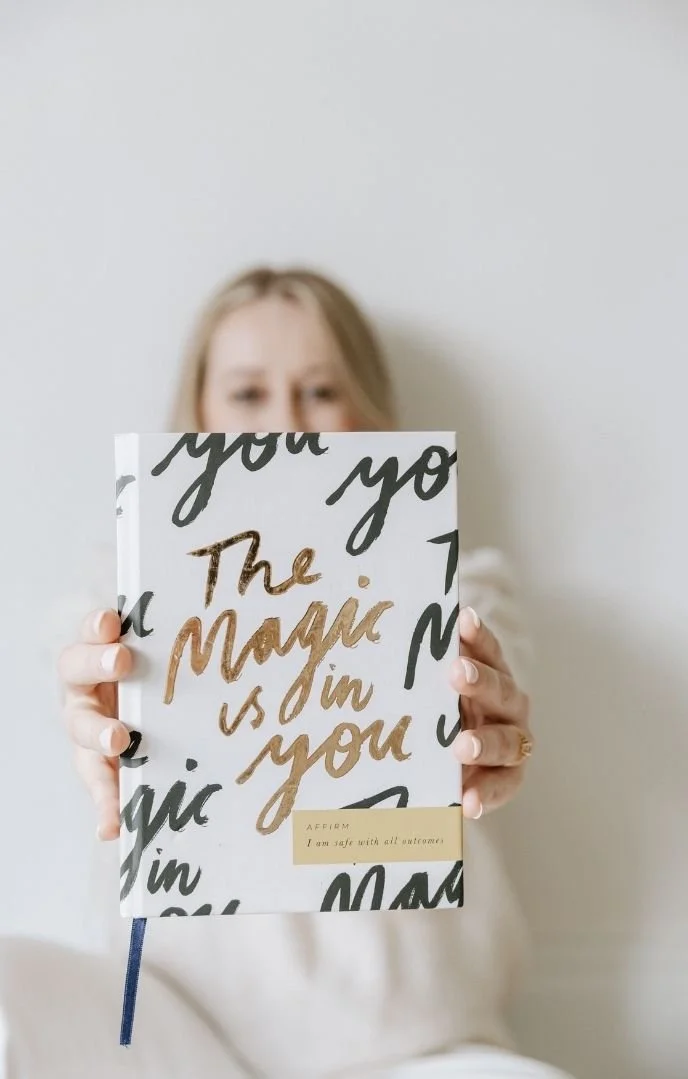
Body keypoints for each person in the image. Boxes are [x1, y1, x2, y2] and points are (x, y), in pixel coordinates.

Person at [0, 267, 571, 1079]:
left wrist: (485, 725)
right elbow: (77, 665)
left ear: (369, 411)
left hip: (414, 1041)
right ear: (197, 413)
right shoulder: (119, 589)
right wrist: (94, 710)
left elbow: (486, 658)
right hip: (176, 1028)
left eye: (320, 391)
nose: (285, 424)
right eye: (247, 393)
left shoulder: (459, 587)